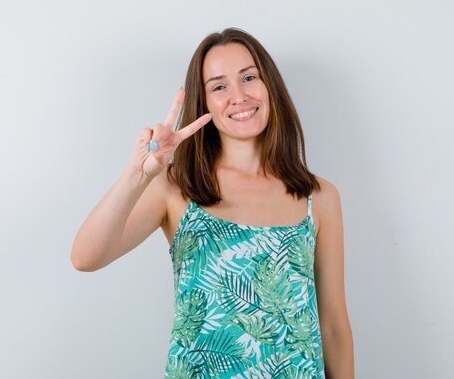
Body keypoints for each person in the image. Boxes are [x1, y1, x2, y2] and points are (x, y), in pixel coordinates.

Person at [71, 28, 354, 379]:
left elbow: (333, 326)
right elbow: (85, 258)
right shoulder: (175, 188)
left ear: (270, 87)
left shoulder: (319, 197)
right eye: (219, 86)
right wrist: (137, 174)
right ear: (204, 103)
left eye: (249, 78)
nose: (239, 96)